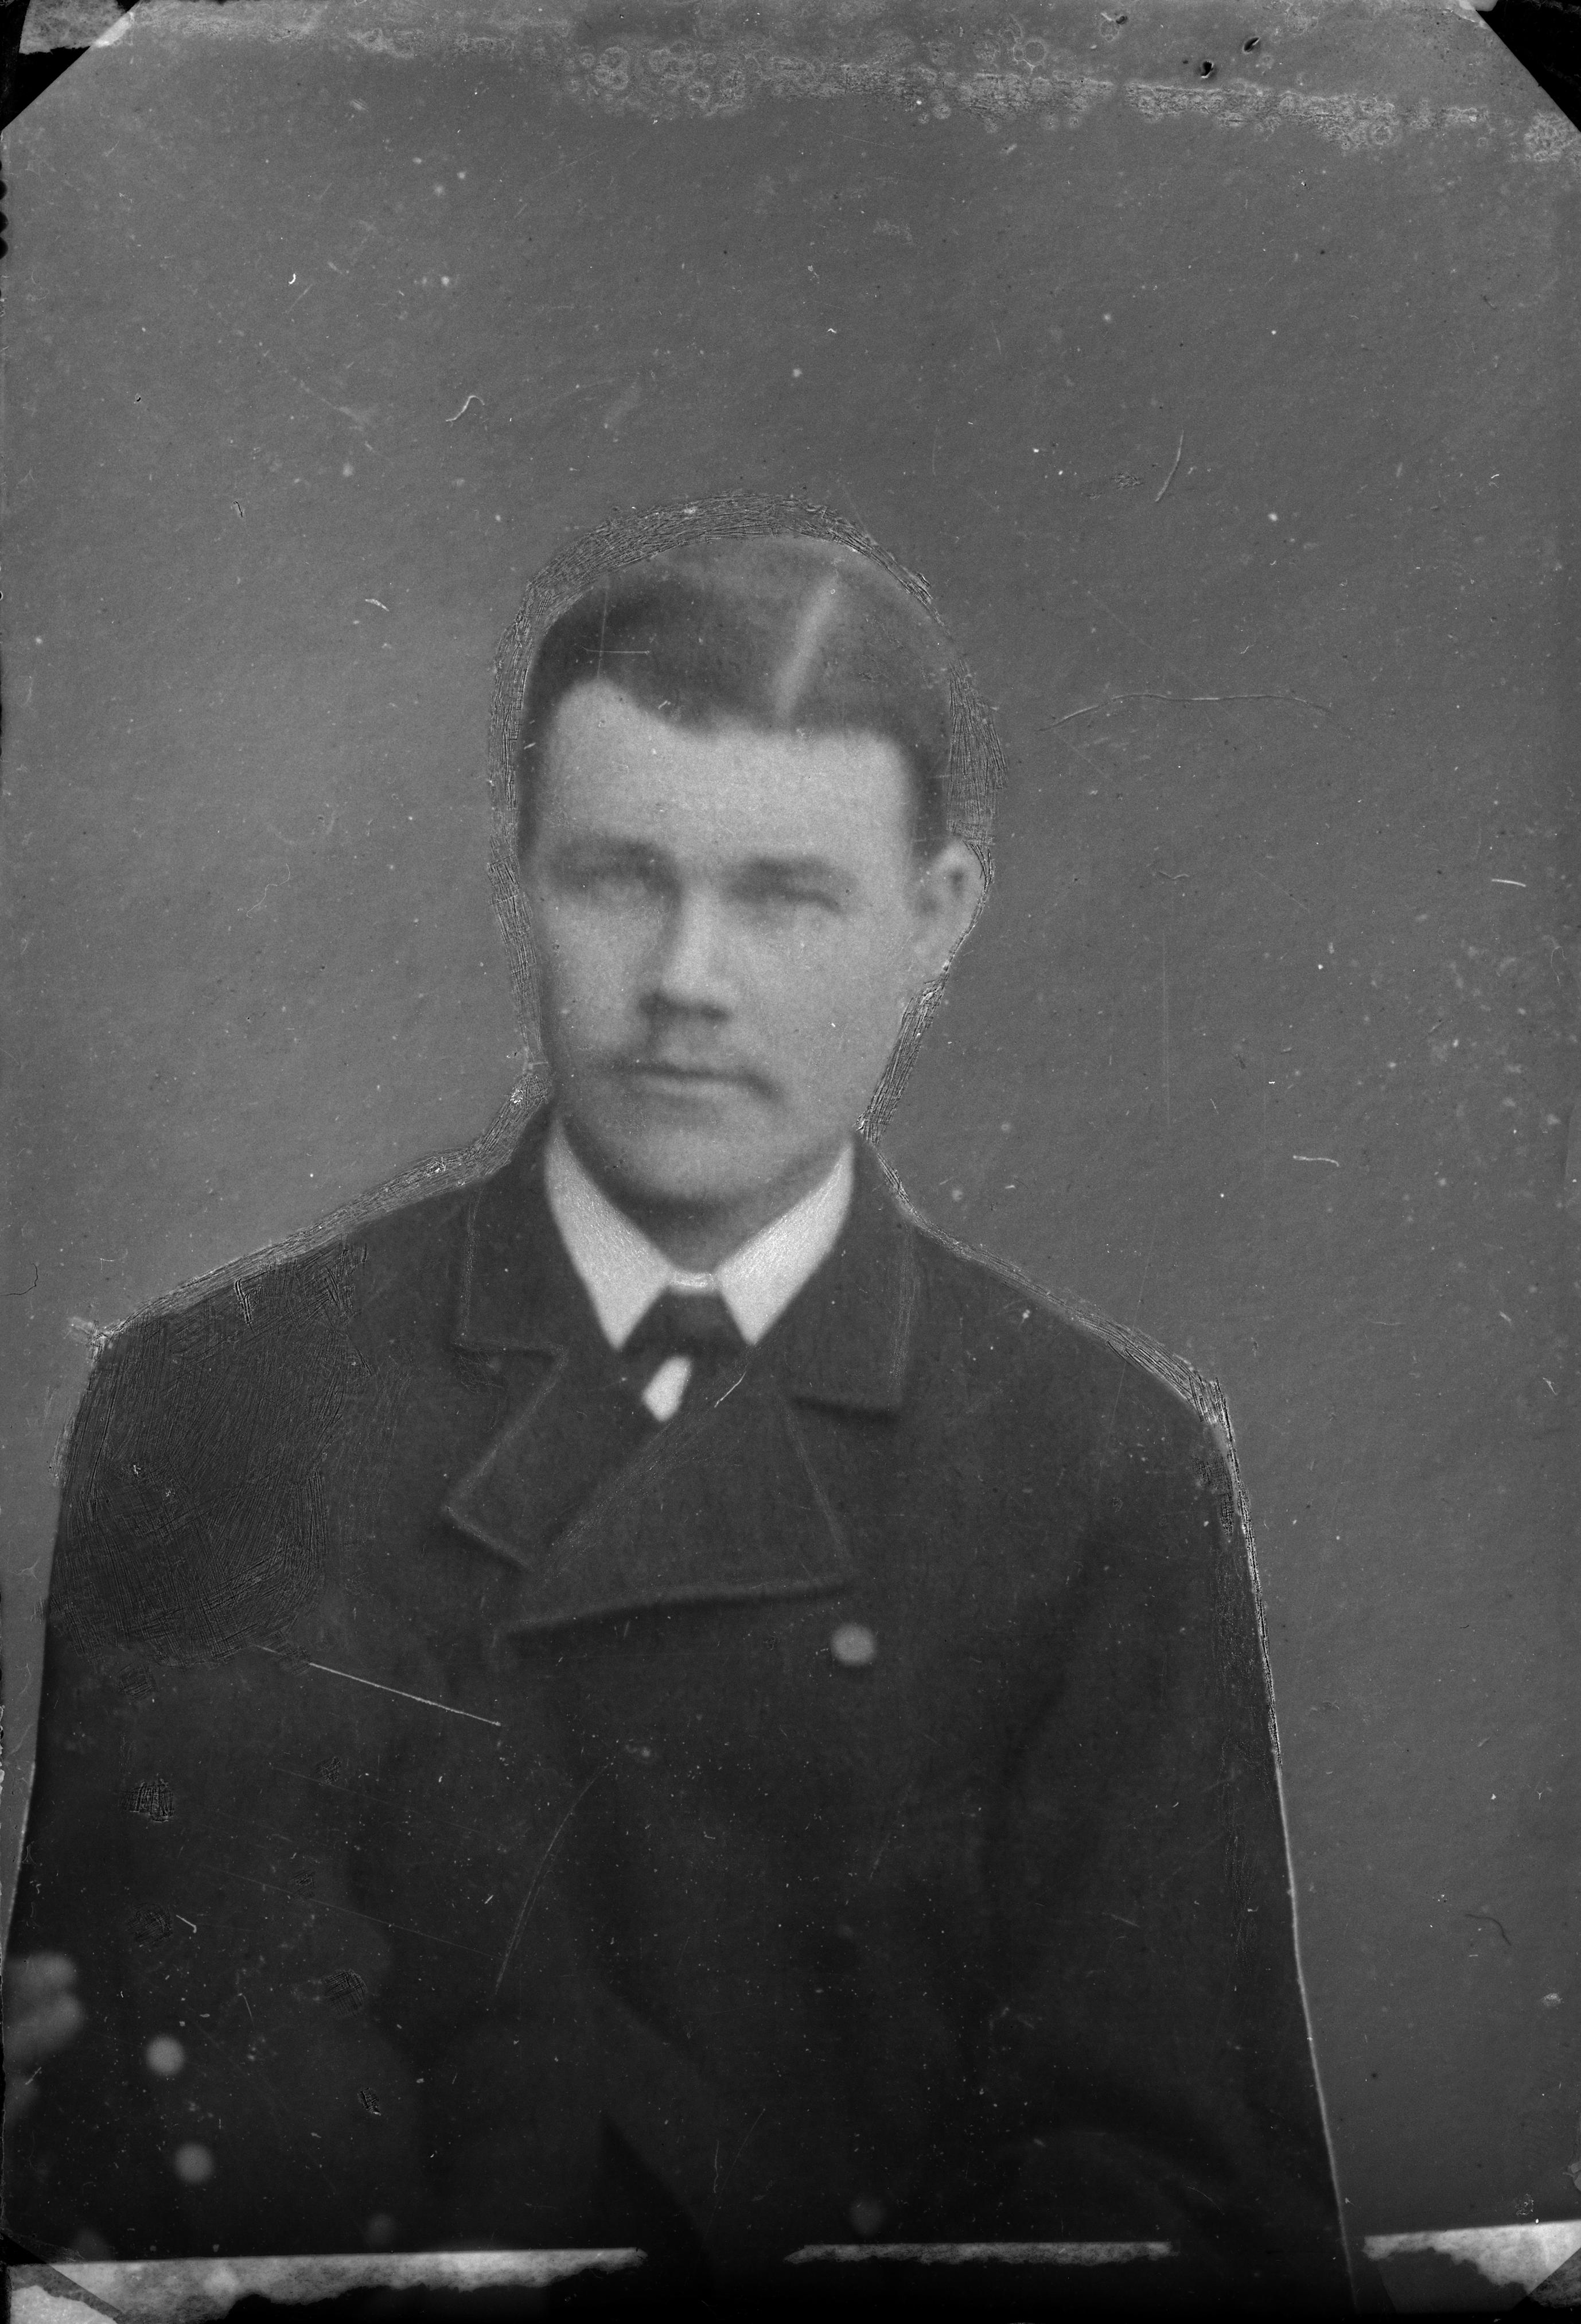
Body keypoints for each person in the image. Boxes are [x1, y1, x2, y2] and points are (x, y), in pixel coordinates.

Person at [2, 522, 1350, 2308]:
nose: (686, 977)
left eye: (785, 896)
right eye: (618, 876)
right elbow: (191, 2156)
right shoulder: (228, 1401)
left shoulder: (1101, 1473)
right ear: (520, 872)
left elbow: (1168, 2197)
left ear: (936, 915)